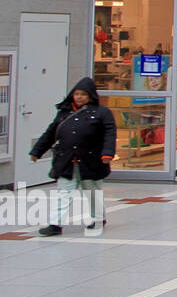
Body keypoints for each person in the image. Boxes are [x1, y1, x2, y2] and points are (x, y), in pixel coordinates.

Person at [29, 77, 116, 236]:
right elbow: (50, 133)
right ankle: (55, 224)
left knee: (91, 191)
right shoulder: (64, 113)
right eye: (77, 94)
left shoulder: (102, 113)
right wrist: (37, 151)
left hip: (91, 161)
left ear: (90, 95)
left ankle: (98, 218)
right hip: (67, 161)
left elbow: (110, 134)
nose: (79, 97)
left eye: (83, 94)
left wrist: (108, 153)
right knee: (63, 192)